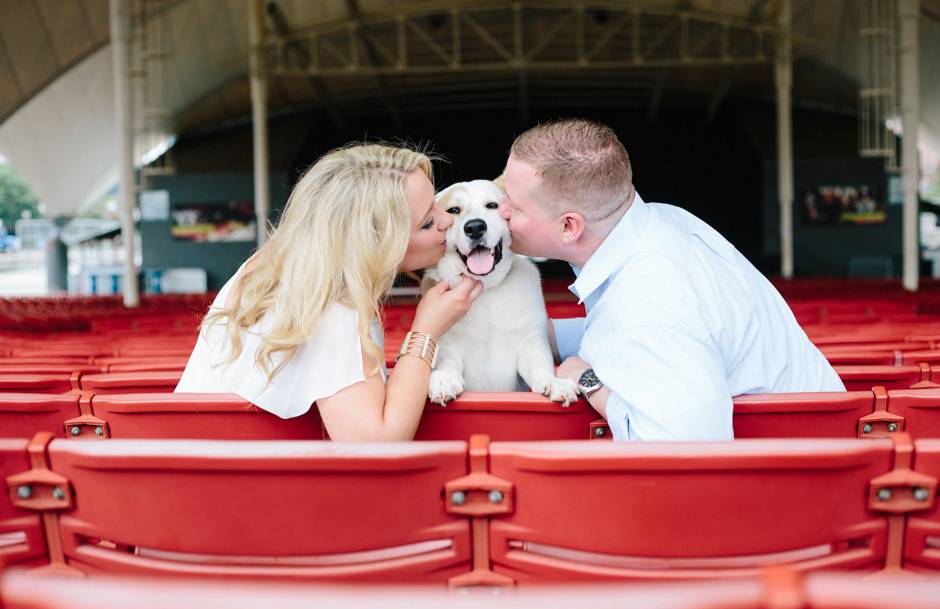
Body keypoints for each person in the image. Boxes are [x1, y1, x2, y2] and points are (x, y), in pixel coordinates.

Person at [497, 119, 844, 441]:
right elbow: (620, 330)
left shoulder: (650, 302)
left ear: (569, 226)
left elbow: (687, 455)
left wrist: (587, 380)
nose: (499, 210)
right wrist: (533, 333)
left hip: (790, 484)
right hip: (816, 450)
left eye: (513, 204)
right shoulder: (661, 222)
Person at [176, 144, 483, 441]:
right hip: (242, 487)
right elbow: (378, 444)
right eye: (428, 221)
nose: (448, 220)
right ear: (377, 244)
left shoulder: (269, 267)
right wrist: (426, 331)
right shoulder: (333, 310)